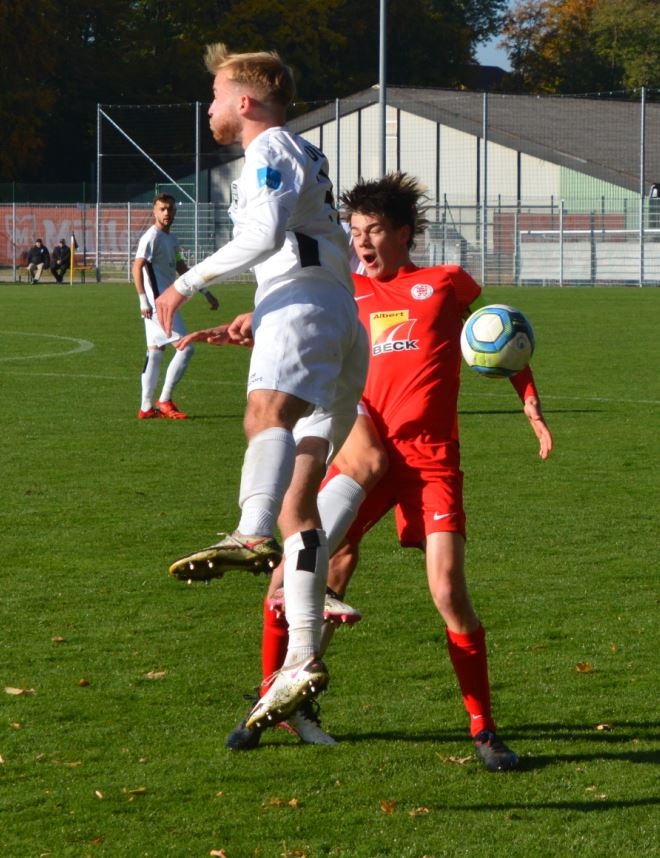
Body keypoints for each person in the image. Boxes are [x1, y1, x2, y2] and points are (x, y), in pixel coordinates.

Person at [208, 173, 553, 769]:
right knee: (297, 574)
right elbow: (304, 322)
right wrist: (252, 320)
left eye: (373, 230)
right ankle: (275, 703)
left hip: (430, 460)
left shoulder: (445, 283)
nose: (361, 241)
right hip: (362, 454)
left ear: (404, 233)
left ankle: (484, 731)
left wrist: (530, 401)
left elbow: (503, 336)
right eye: (355, 230)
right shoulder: (347, 291)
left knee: (448, 590)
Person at [155, 44, 368, 729]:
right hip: (336, 317)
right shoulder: (299, 150)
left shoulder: (269, 146)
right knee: (299, 508)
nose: (210, 108)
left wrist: (185, 284)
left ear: (244, 102)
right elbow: (303, 238)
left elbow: (265, 234)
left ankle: (248, 534)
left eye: (216, 96)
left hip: (305, 306)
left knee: (263, 415)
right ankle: (301, 656)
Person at [132, 192, 219, 420]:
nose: (166, 213)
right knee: (186, 347)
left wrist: (205, 291)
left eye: (170, 209)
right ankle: (164, 400)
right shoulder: (151, 237)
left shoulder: (171, 238)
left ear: (175, 211)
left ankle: (145, 407)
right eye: (162, 209)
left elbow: (181, 267)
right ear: (154, 211)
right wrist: (143, 300)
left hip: (161, 303)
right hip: (158, 304)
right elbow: (137, 266)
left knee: (155, 352)